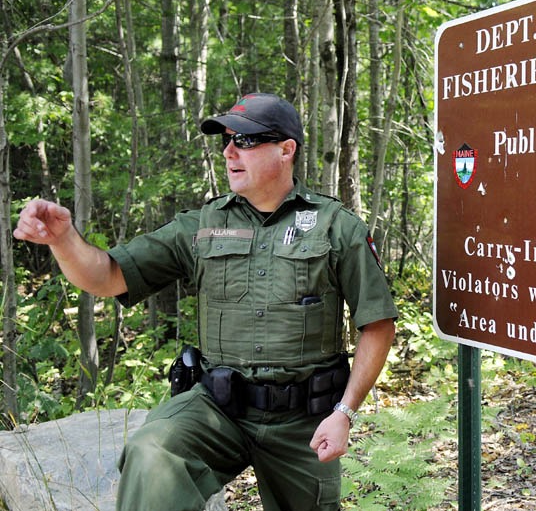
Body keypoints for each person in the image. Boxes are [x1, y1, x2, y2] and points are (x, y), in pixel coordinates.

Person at [13, 93, 398, 511]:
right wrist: (63, 240)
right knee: (152, 451)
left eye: (246, 141)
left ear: (287, 150)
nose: (230, 152)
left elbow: (377, 325)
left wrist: (344, 413)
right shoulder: (201, 227)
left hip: (303, 421)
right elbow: (106, 277)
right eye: (227, 140)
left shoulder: (336, 227)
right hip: (219, 410)